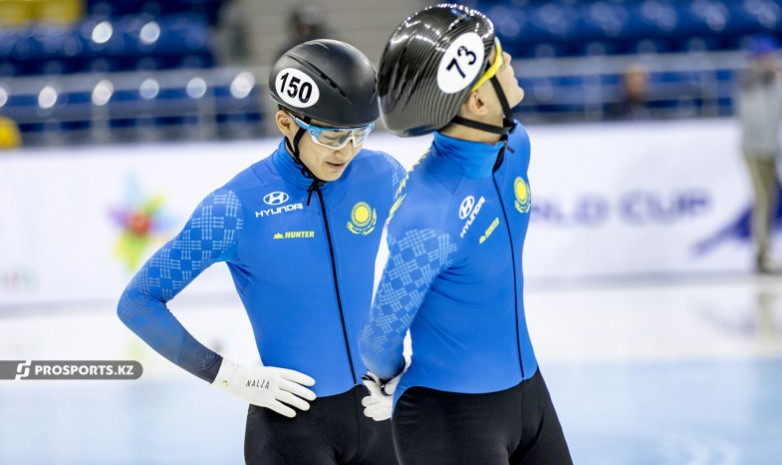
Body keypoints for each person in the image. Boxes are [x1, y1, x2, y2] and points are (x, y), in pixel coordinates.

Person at [118, 39, 404, 465]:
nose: (346, 151)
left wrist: (409, 369)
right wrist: (230, 378)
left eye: (359, 135)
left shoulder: (381, 174)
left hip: (378, 416)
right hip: (292, 430)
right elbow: (137, 303)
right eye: (331, 135)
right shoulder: (234, 207)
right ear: (286, 122)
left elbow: (435, 262)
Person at [358, 5, 573, 465]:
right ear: (477, 101)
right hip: (448, 418)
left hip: (529, 396)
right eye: (498, 60)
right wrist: (390, 380)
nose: (510, 59)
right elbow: (378, 339)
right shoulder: (428, 212)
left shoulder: (515, 145)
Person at [737, 35, 782, 274]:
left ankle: (766, 251)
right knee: (762, 200)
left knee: (771, 201)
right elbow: (754, 77)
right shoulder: (747, 77)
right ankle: (761, 254)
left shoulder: (775, 81)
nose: (769, 60)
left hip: (771, 149)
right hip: (753, 149)